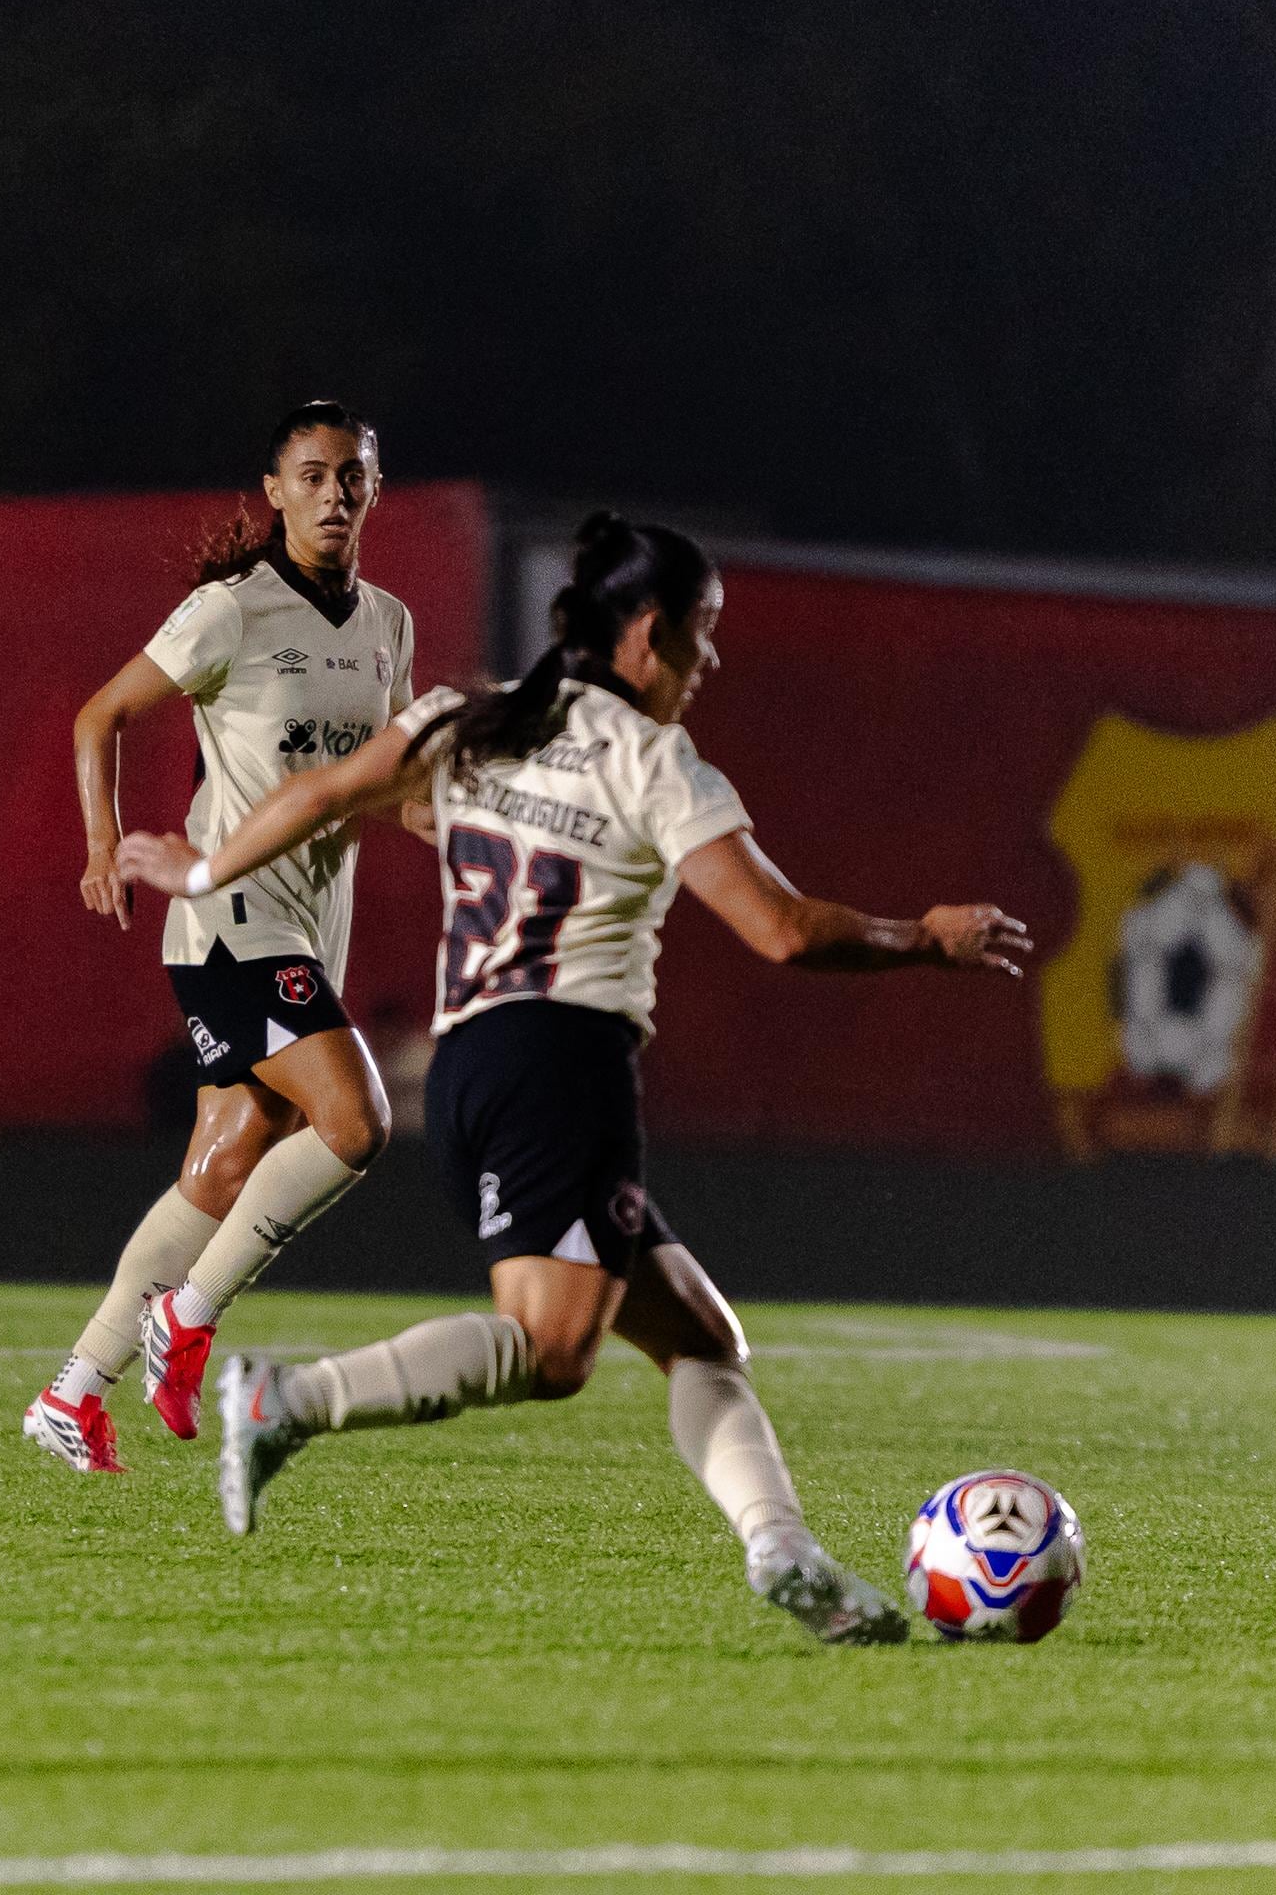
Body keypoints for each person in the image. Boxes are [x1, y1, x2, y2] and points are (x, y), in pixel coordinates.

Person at [117, 514, 1029, 1643]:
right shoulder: (649, 759)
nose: (708, 663)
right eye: (702, 636)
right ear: (645, 635)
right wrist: (925, 938)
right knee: (552, 1352)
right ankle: (288, 1398)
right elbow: (785, 929)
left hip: (471, 1071)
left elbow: (318, 794)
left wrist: (199, 866)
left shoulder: (472, 717)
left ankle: (784, 1547)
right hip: (563, 1065)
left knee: (701, 1336)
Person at [27, 401, 420, 1472]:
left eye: (352, 476)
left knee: (225, 1157)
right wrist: (103, 843)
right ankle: (188, 1316)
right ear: (275, 493)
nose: (335, 493)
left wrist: (474, 826)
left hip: (308, 927)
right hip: (228, 920)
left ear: (373, 490)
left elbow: (388, 783)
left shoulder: (387, 623)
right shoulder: (231, 611)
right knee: (355, 1120)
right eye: (313, 475)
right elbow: (97, 715)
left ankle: (70, 1392)